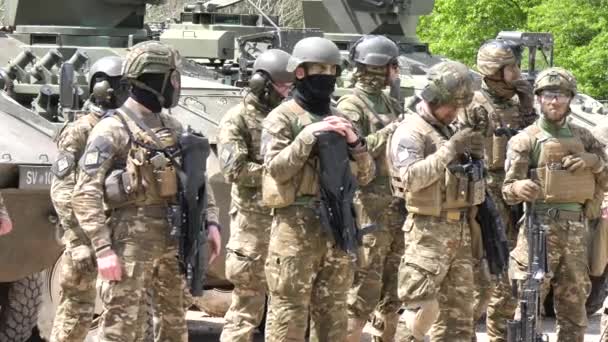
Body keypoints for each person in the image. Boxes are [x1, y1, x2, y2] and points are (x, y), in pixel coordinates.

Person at [71, 41, 221, 341]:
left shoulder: (173, 126)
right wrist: (102, 249)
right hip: (130, 244)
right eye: (172, 78)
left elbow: (196, 178)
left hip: (175, 241)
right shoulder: (113, 128)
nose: (176, 85)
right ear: (153, 79)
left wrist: (212, 221)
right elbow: (84, 192)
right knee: (123, 329)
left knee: (175, 325)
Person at [260, 36, 375, 342]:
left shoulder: (340, 117)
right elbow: (276, 169)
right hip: (295, 232)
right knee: (288, 319)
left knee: (334, 318)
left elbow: (366, 175)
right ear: (299, 72)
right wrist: (308, 136)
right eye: (318, 68)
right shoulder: (281, 118)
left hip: (337, 229)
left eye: (331, 69)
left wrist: (354, 142)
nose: (326, 75)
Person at [502, 67, 608, 341]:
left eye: (560, 95)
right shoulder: (525, 139)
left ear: (570, 99)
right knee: (529, 304)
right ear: (538, 98)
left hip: (576, 231)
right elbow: (507, 191)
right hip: (539, 231)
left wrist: (593, 162)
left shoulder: (584, 137)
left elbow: (606, 179)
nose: (554, 101)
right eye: (549, 95)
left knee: (575, 309)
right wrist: (519, 187)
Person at [388, 61, 484, 341]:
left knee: (459, 318)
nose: (454, 111)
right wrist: (450, 150)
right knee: (419, 312)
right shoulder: (411, 131)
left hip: (460, 230)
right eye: (450, 105)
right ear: (433, 98)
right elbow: (410, 178)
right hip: (427, 233)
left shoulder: (447, 129)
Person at [459, 39, 536, 342]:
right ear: (494, 71)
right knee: (482, 275)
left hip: (513, 194)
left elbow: (532, 140)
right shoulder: (475, 104)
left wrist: (529, 106)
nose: (517, 73)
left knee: (508, 276)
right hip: (485, 197)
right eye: (511, 67)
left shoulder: (516, 104)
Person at [49, 55, 127, 342]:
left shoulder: (127, 126)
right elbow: (62, 188)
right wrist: (77, 240)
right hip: (85, 235)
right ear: (103, 87)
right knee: (76, 312)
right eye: (122, 85)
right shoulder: (80, 130)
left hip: (119, 233)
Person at [218, 48, 293, 342]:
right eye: (283, 86)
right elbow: (233, 169)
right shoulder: (236, 119)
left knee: (284, 312)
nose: (288, 92)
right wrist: (283, 172)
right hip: (252, 230)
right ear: (262, 85)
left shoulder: (287, 118)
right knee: (245, 312)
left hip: (285, 226)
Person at [336, 35, 405, 342]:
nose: (396, 71)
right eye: (393, 65)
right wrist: (392, 129)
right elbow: (354, 150)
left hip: (395, 204)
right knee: (364, 288)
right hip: (368, 207)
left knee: (394, 290)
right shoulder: (352, 105)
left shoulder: (390, 102)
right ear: (382, 67)